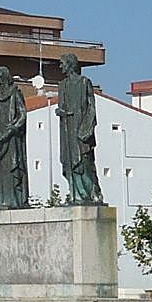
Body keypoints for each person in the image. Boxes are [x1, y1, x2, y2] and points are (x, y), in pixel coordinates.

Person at [55, 53, 105, 204]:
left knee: (84, 162)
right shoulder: (62, 85)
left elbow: (91, 108)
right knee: (69, 162)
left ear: (70, 64)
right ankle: (76, 194)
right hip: (67, 129)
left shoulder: (84, 82)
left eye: (62, 63)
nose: (60, 66)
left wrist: (85, 130)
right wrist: (61, 112)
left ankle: (91, 194)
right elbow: (62, 106)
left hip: (81, 130)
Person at [0, 66, 29, 209]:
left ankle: (12, 201)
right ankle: (2, 200)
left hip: (11, 137)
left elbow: (22, 114)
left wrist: (13, 128)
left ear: (5, 77)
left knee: (11, 168)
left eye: (0, 77)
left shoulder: (15, 93)